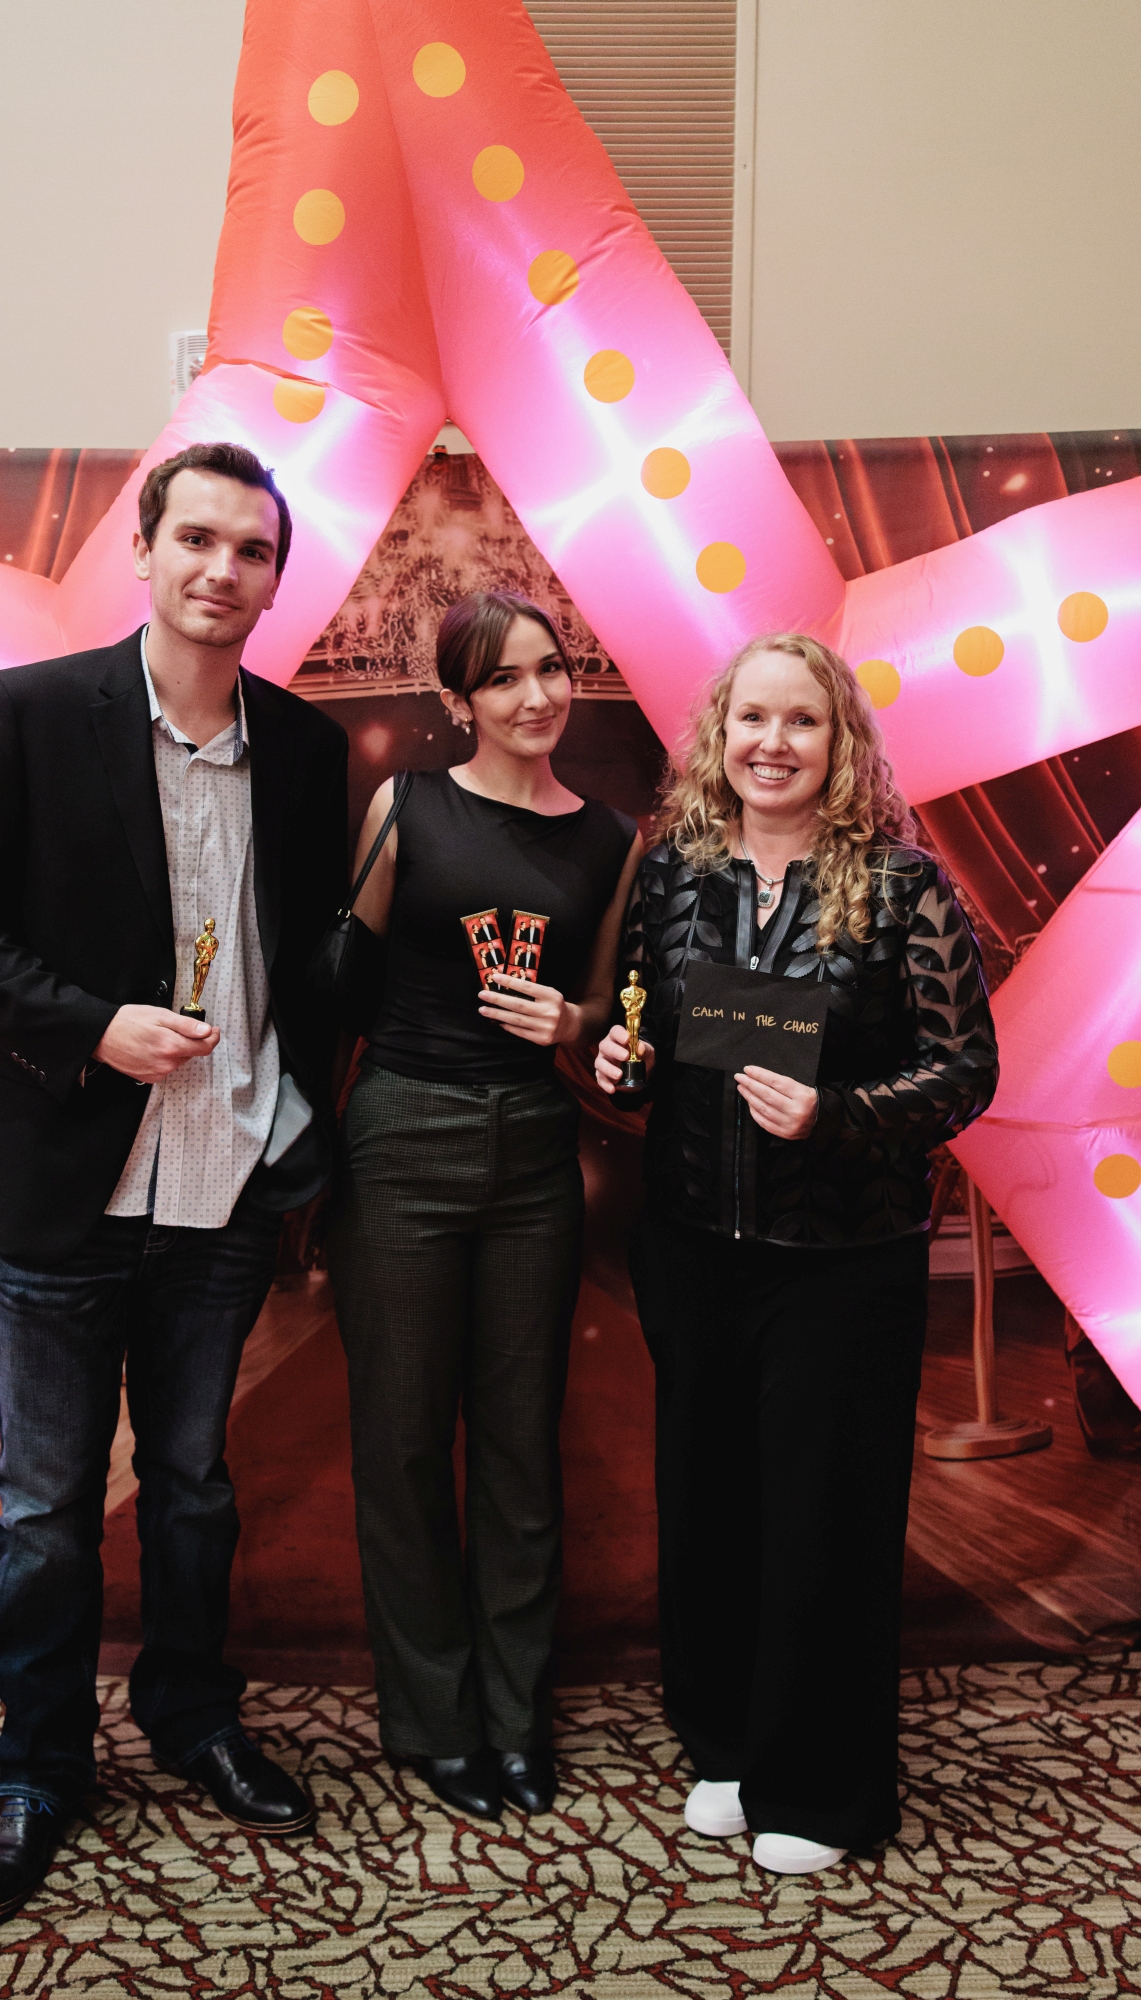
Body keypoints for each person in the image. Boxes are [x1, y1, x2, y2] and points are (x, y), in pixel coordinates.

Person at [0, 441, 348, 1922]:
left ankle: (191, 1714)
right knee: (46, 1507)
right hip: (64, 1185)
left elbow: (311, 960)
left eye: (254, 550)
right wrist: (95, 1024)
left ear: (275, 581)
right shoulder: (32, 713)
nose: (225, 569)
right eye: (200, 539)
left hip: (225, 1182)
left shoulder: (306, 751)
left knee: (193, 1489)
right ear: (146, 551)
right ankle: (39, 1767)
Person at [595, 632, 998, 1876]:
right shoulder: (675, 873)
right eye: (751, 718)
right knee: (708, 1502)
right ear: (718, 735)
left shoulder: (903, 884)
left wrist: (837, 1114)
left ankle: (822, 1786)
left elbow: (964, 1070)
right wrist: (623, 1063)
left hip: (842, 1258)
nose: (772, 742)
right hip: (691, 1248)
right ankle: (726, 1743)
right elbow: (643, 1028)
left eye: (801, 720)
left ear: (840, 743)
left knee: (823, 1516)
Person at [330, 590, 644, 1821]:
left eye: (549, 668)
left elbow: (606, 1012)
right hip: (400, 1131)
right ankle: (434, 1716)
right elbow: (346, 983)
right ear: (458, 700)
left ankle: (515, 1715)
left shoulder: (609, 836)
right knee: (403, 1438)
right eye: (503, 677)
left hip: (532, 1151)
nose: (535, 695)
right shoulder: (404, 805)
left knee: (520, 1443)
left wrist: (575, 1022)